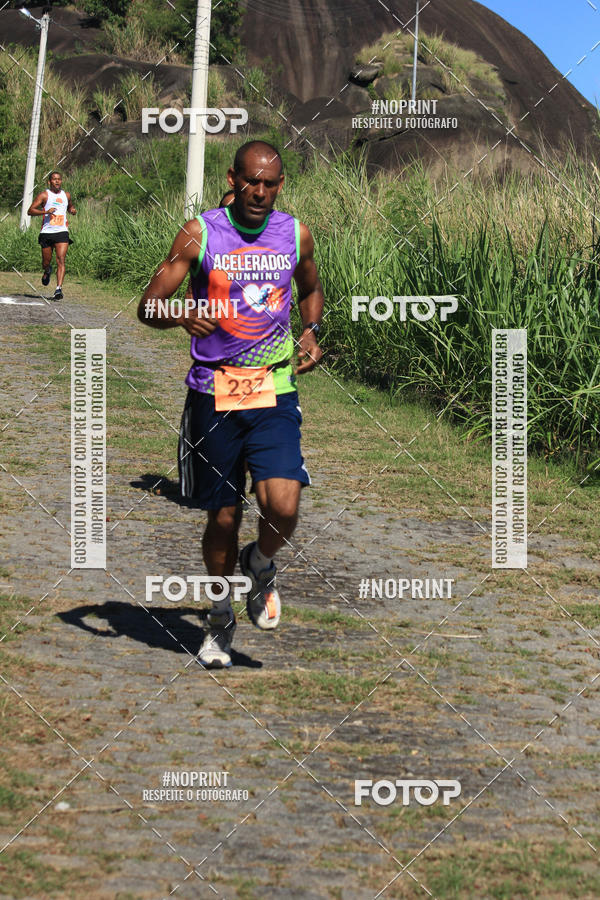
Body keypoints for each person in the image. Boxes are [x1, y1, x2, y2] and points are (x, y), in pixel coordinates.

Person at [138, 140, 324, 668]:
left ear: (280, 185)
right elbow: (148, 302)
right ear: (233, 178)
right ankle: (220, 614)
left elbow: (310, 288)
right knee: (221, 518)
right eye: (251, 182)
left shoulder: (295, 235)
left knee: (283, 506)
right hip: (213, 393)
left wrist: (311, 330)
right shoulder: (201, 233)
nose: (259, 192)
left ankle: (259, 563)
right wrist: (176, 315)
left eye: (270, 184)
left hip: (274, 389)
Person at [27, 171, 76, 301]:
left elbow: (70, 205)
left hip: (62, 232)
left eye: (59, 179)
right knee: (46, 262)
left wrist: (71, 210)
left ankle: (58, 289)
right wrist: (45, 211)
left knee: (61, 259)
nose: (57, 181)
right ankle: (47, 270)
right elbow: (30, 211)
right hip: (47, 233)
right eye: (54, 179)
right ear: (49, 182)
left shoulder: (66, 195)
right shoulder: (44, 195)